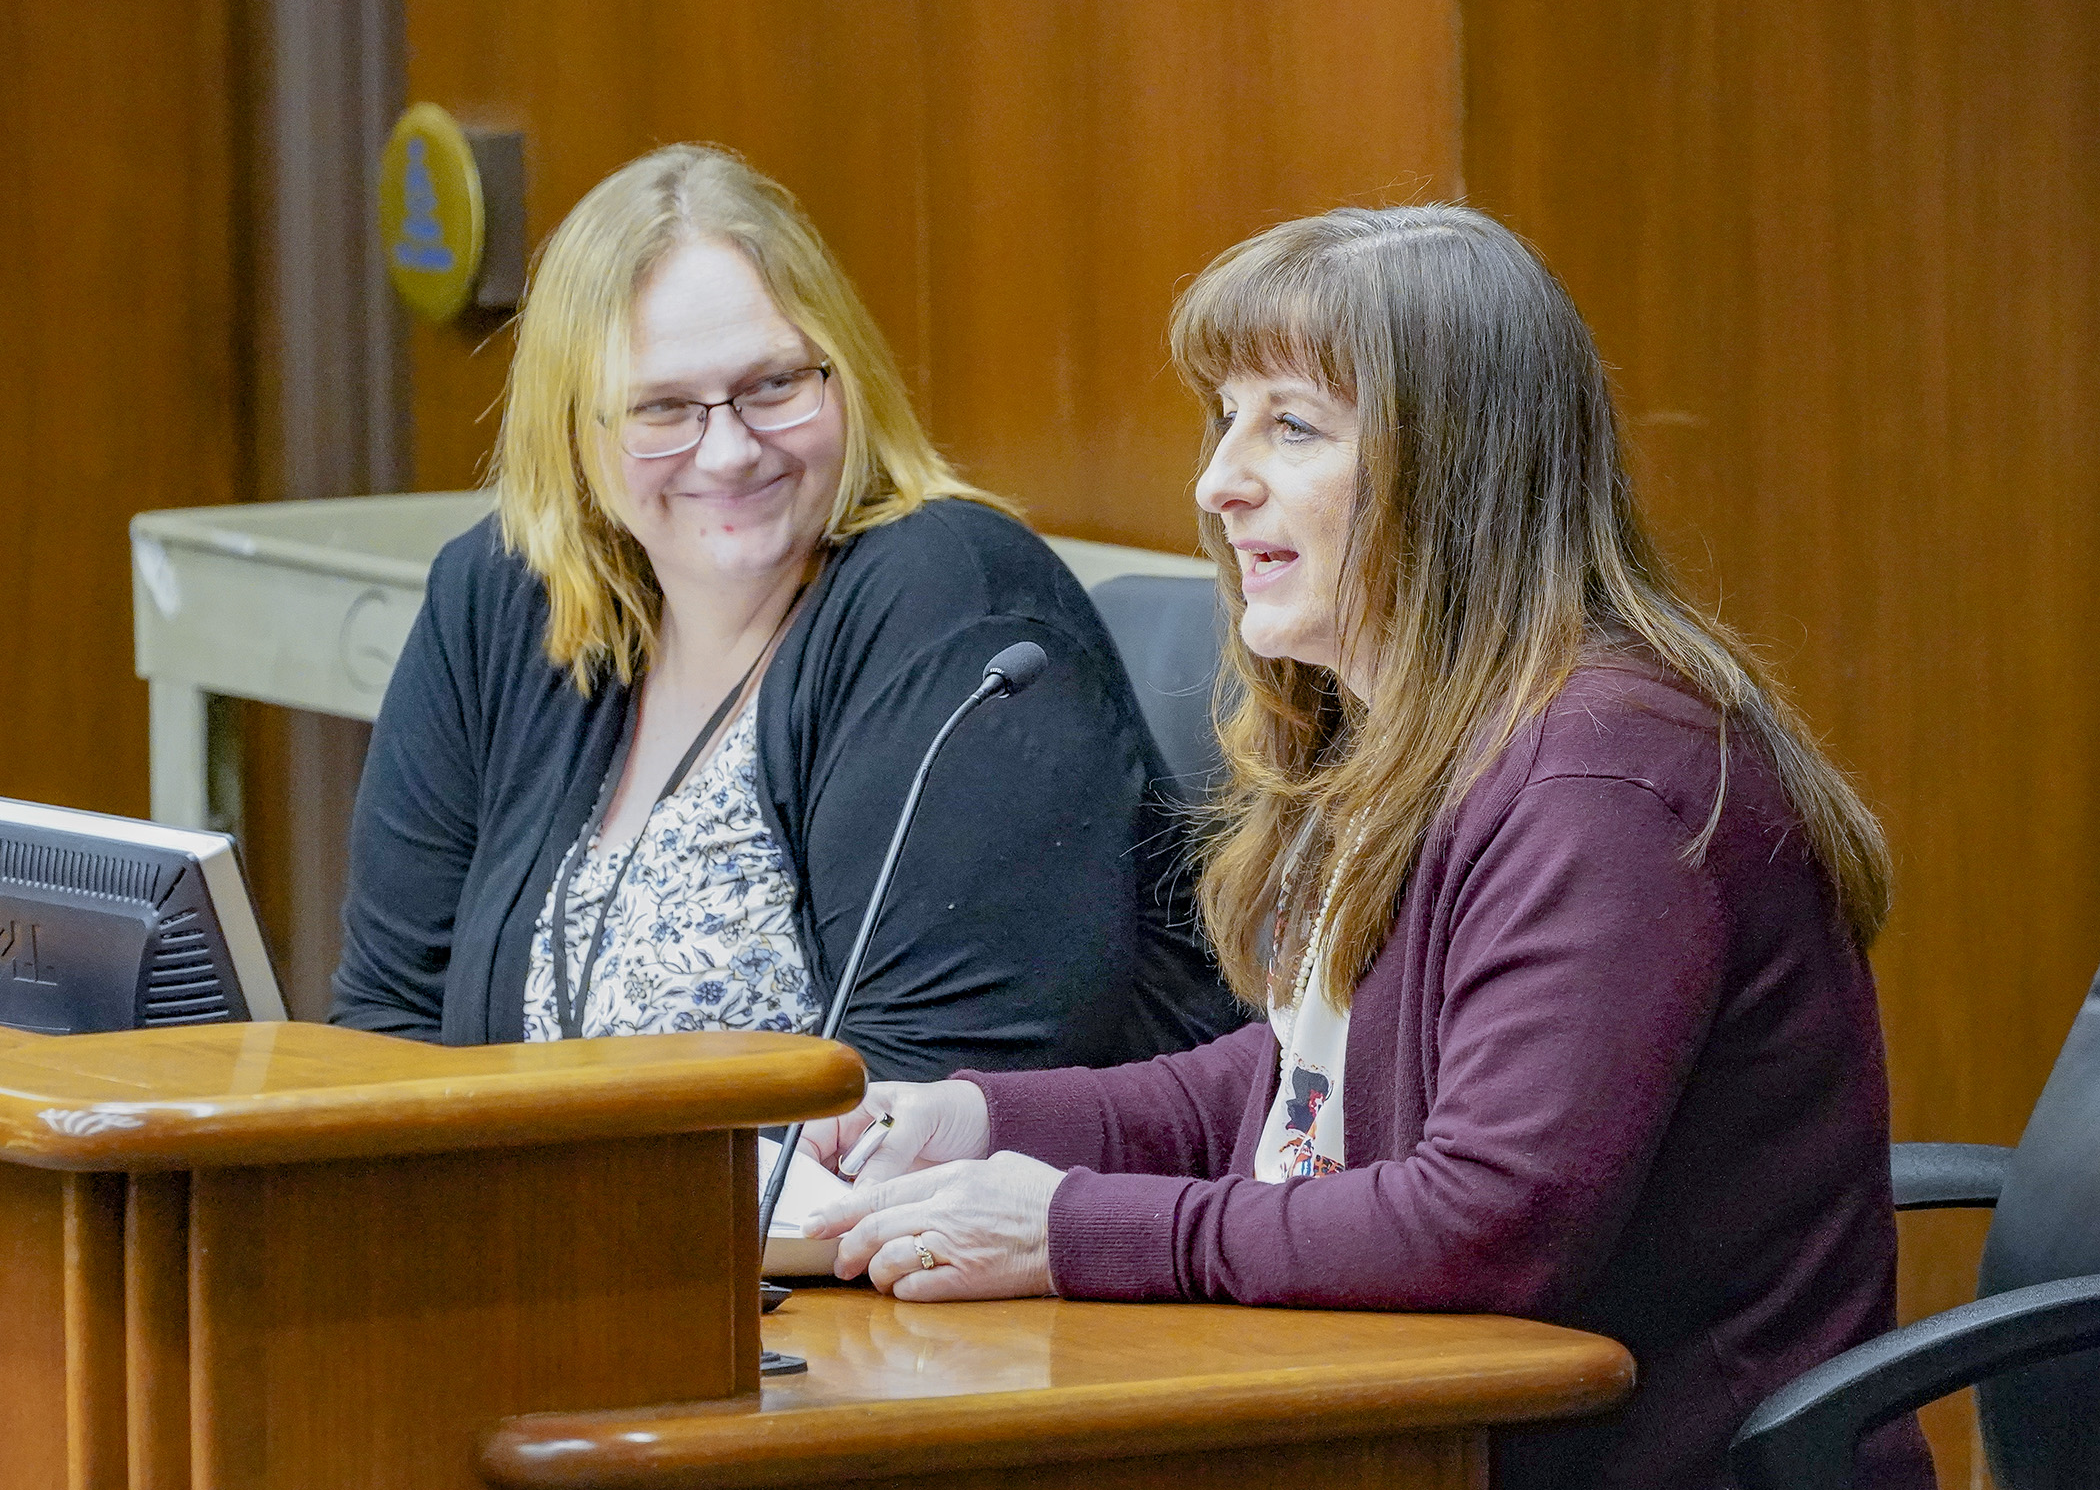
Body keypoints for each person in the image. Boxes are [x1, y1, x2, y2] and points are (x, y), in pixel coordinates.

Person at [803, 205, 1936, 1488]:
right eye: (1224, 417)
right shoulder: (1410, 738)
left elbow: (1489, 1226)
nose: (1218, 478)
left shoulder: (1605, 780)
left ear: (1454, 468)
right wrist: (973, 1119)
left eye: (1291, 426)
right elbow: (1302, 1085)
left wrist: (1071, 1230)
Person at [329, 144, 1241, 1078]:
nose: (727, 452)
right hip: (548, 1219)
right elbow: (390, 1018)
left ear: (846, 376)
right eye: (661, 406)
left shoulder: (951, 601)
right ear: (574, 430)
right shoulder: (503, 598)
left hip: (886, 1220)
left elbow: (938, 1103)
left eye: (773, 385)